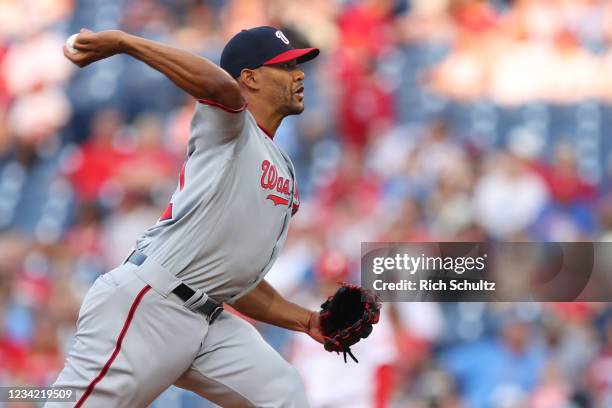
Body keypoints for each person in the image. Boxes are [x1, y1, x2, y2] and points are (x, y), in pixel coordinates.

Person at [48, 26, 322, 407]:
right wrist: (125, 42)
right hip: (150, 303)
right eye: (286, 65)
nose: (299, 73)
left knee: (284, 395)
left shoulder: (283, 167)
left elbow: (236, 279)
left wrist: (307, 320)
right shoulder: (228, 125)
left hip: (209, 319)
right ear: (250, 77)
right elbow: (219, 86)